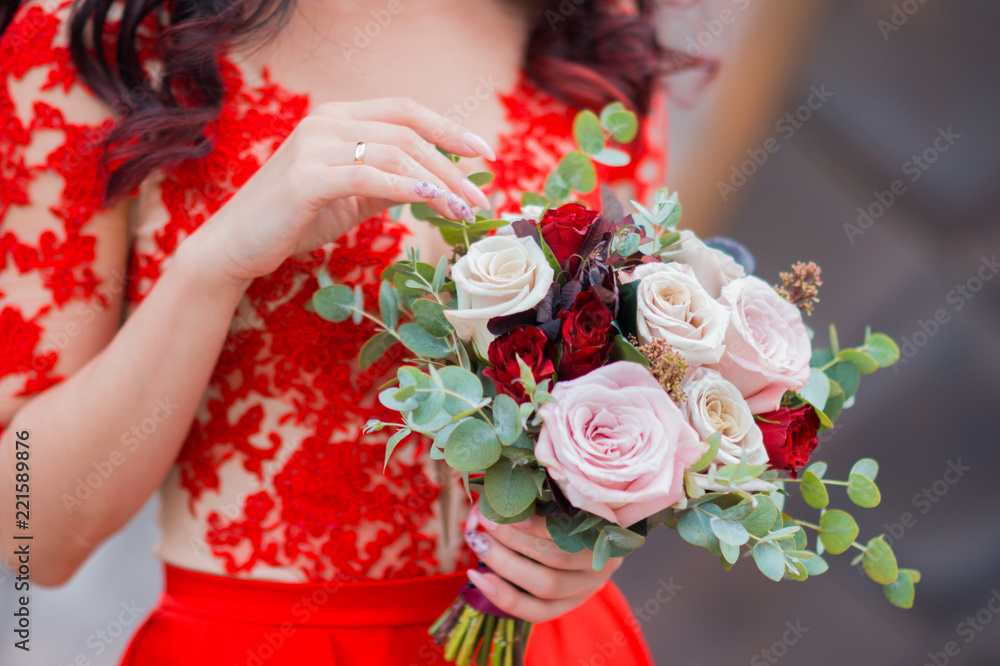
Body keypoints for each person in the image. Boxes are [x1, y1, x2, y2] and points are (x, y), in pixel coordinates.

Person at [0, 0, 689, 663]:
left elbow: (627, 376)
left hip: (550, 645)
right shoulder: (97, 37)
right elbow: (28, 534)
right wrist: (215, 266)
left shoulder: (593, 29)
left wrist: (586, 544)